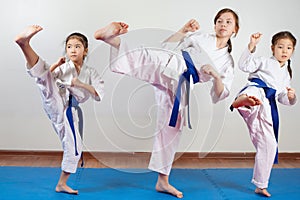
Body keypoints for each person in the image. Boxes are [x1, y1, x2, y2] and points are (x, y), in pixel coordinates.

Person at [94, 8, 239, 198]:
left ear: (235, 29)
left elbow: (220, 94)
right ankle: (110, 38)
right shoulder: (202, 38)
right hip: (173, 63)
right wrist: (184, 30)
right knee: (146, 56)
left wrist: (216, 76)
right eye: (219, 21)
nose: (223, 24)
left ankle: (163, 181)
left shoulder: (227, 62)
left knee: (171, 130)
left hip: (183, 85)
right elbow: (168, 44)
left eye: (228, 22)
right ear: (214, 24)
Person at [15, 25, 104, 194]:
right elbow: (47, 77)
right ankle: (24, 44)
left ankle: (62, 184)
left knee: (74, 148)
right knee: (45, 78)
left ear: (85, 50)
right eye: (69, 46)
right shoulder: (64, 67)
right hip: (57, 100)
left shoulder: (91, 72)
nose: (72, 50)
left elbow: (98, 94)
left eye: (77, 46)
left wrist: (80, 84)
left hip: (70, 111)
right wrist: (55, 65)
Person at [231, 31, 297, 197]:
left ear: (293, 51)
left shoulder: (286, 74)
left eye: (288, 48)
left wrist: (291, 97)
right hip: (256, 90)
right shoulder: (264, 62)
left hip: (267, 105)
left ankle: (261, 184)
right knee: (255, 96)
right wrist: (252, 45)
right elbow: (244, 66)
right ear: (272, 48)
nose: (284, 51)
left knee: (270, 145)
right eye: (280, 47)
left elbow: (282, 97)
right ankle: (243, 101)